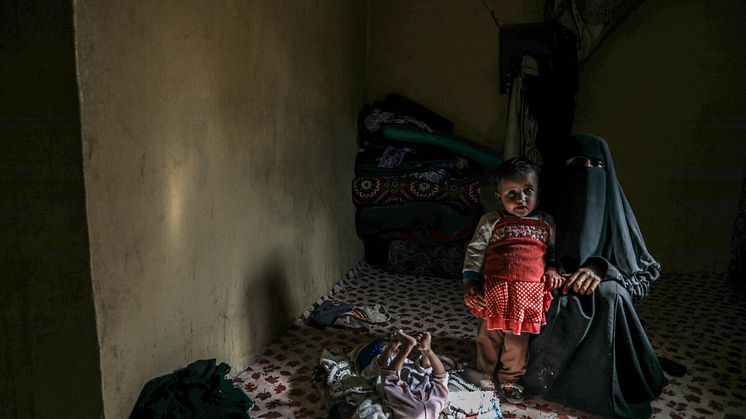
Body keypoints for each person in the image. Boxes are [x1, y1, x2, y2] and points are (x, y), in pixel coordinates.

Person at [520, 133, 667, 418]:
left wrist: (602, 267)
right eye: (576, 164)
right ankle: (541, 373)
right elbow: (523, 253)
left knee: (611, 295)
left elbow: (641, 277)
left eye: (595, 166)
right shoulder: (546, 208)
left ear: (607, 172)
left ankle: (596, 383)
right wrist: (551, 269)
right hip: (554, 282)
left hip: (603, 288)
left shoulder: (616, 211)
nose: (585, 173)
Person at [461, 158, 564, 403]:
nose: (521, 199)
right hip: (495, 292)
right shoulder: (492, 220)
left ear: (538, 194)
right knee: (489, 335)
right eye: (512, 193)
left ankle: (510, 378)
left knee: (518, 342)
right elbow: (475, 251)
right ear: (499, 197)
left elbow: (554, 252)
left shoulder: (546, 223)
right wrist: (471, 281)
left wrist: (552, 269)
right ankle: (484, 373)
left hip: (528, 296)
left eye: (528, 191)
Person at [377, 330, 449, 419]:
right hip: (422, 406)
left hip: (418, 411)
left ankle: (413, 348)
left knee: (387, 380)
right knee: (436, 380)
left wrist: (390, 348)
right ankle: (425, 350)